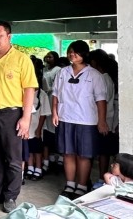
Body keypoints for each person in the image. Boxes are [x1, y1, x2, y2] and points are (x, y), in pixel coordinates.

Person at [0, 21, 37, 214]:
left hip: (11, 114)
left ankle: (10, 196)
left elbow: (29, 90)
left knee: (12, 159)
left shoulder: (21, 59)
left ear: (9, 37)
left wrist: (25, 118)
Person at [52, 40, 108, 199]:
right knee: (68, 153)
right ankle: (70, 184)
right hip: (65, 118)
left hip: (87, 121)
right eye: (70, 51)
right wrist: (55, 113)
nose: (72, 54)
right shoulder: (62, 72)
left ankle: (82, 185)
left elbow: (101, 100)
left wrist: (102, 121)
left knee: (84, 155)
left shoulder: (94, 75)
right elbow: (55, 95)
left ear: (84, 54)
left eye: (76, 52)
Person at [90, 49, 118, 189]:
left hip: (104, 121)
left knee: (103, 153)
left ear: (94, 62)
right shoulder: (105, 77)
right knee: (102, 152)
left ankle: (102, 179)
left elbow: (102, 102)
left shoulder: (103, 79)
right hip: (104, 120)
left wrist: (102, 122)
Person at [25, 58, 51, 182]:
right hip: (27, 127)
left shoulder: (42, 95)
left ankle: (38, 168)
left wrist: (39, 129)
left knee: (38, 150)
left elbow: (44, 114)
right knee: (29, 149)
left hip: (36, 128)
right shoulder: (24, 93)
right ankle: (30, 168)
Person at [41, 51, 61, 174]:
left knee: (55, 130)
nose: (48, 58)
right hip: (45, 98)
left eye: (51, 56)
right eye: (47, 56)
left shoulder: (58, 70)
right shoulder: (45, 69)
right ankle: (48, 159)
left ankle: (58, 158)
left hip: (53, 98)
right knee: (47, 130)